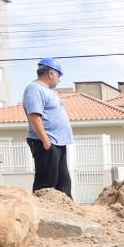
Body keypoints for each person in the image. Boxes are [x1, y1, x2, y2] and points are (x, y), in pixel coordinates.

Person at [24, 58, 74, 198]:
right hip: (46, 142)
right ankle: (42, 215)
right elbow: (34, 116)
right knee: (46, 184)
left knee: (63, 184)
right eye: (59, 76)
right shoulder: (34, 89)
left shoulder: (49, 92)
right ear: (51, 73)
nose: (59, 80)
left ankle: (68, 214)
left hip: (58, 142)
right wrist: (45, 141)